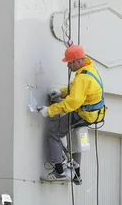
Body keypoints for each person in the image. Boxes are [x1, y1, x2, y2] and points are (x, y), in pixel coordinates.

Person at [38, 45, 106, 183]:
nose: (68, 65)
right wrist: (62, 92)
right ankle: (76, 173)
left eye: (69, 62)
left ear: (77, 61)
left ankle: (59, 172)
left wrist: (49, 110)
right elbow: (78, 90)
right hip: (94, 113)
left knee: (54, 133)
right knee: (75, 137)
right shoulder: (89, 68)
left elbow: (72, 103)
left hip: (84, 113)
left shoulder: (83, 78)